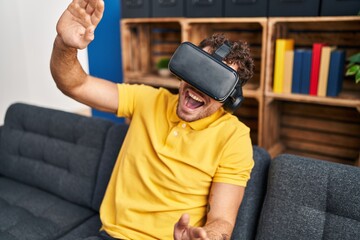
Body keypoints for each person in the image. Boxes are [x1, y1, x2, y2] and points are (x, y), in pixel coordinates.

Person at [50, 0, 255, 239]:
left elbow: (222, 220)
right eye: (200, 70)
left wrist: (208, 236)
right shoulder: (147, 99)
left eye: (216, 82)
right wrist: (64, 44)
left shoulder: (234, 137)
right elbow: (76, 85)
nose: (201, 86)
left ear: (229, 100)